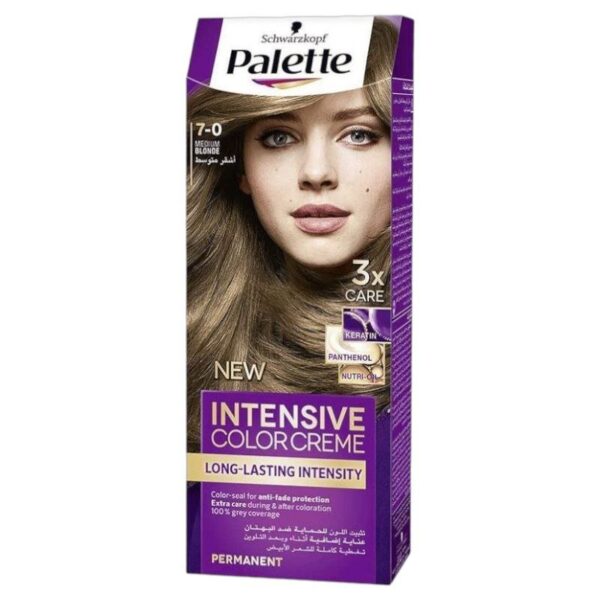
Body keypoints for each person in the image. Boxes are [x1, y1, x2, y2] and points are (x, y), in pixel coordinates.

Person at [187, 17, 398, 450]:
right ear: (241, 167)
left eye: (359, 135)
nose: (316, 173)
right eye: (279, 137)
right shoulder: (194, 318)